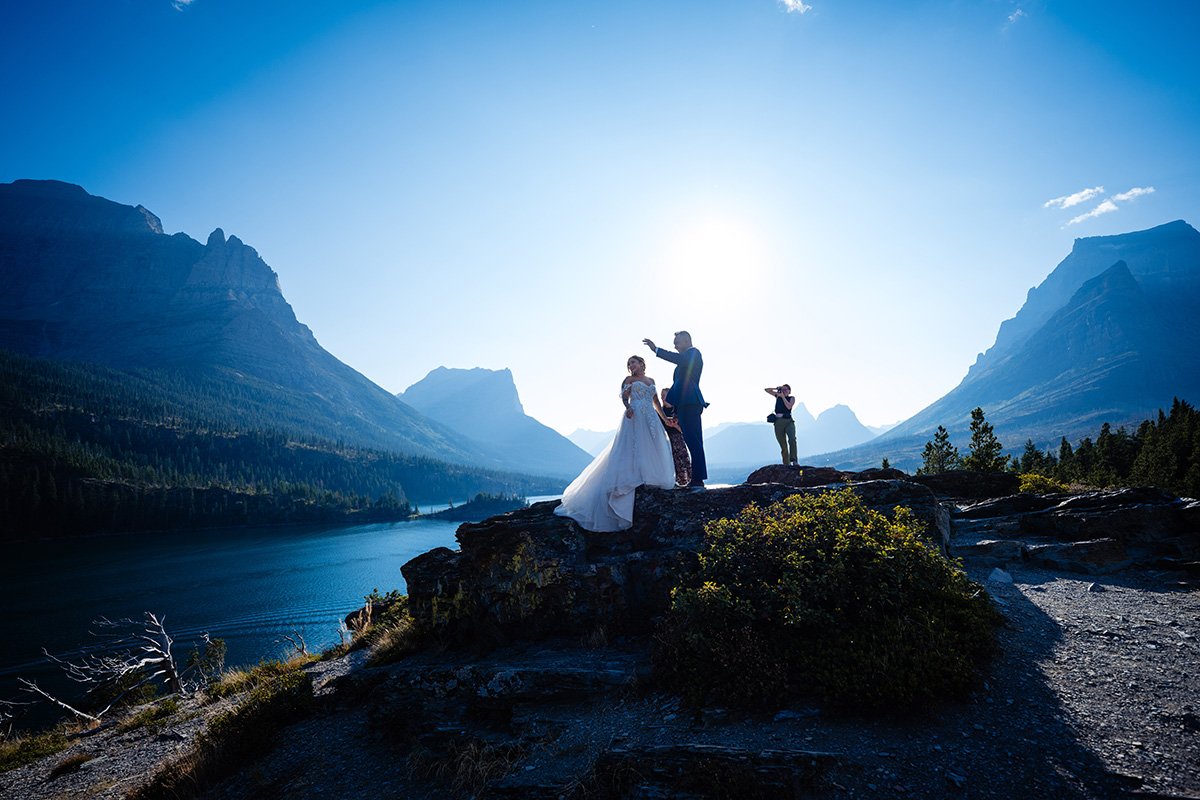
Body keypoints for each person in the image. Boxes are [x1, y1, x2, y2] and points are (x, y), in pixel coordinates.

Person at [554, 355, 679, 532]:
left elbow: (656, 402)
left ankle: (651, 476)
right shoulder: (629, 380)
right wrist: (628, 408)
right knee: (634, 446)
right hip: (635, 415)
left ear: (641, 363)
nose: (631, 365)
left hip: (650, 417)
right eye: (629, 364)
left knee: (653, 446)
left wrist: (665, 420)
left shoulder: (651, 380)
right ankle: (635, 476)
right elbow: (625, 398)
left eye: (633, 362)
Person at [643, 331, 708, 490]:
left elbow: (679, 361)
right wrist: (676, 412)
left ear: (686, 341)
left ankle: (698, 480)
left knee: (694, 441)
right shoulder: (685, 360)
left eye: (677, 343)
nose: (675, 346)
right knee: (691, 440)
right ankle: (697, 478)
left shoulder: (694, 353)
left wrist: (656, 350)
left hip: (691, 402)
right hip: (685, 404)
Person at [660, 387, 692, 487]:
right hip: (665, 440)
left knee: (682, 460)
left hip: (678, 439)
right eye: (661, 396)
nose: (662, 398)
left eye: (664, 396)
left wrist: (675, 425)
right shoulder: (659, 412)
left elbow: (683, 430)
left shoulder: (677, 411)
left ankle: (686, 482)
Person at [765, 384, 798, 467]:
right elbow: (766, 390)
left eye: (786, 389)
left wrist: (783, 397)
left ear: (789, 391)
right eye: (783, 389)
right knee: (783, 445)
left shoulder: (792, 398)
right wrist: (776, 388)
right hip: (778, 422)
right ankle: (786, 464)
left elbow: (788, 407)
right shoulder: (778, 396)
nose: (784, 391)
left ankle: (794, 460)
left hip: (789, 421)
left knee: (792, 439)